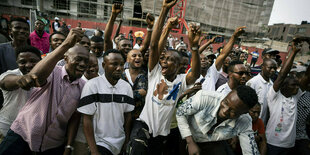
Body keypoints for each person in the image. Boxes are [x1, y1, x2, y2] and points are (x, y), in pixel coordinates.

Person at [127, 0, 201, 154]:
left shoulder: (182, 81)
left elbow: (196, 73)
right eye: (163, 58)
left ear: (180, 65)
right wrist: (164, 12)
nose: (164, 61)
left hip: (162, 134)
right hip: (143, 125)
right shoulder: (155, 72)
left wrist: (194, 47)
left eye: (169, 59)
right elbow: (154, 46)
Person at [0, 28, 87, 155]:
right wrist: (66, 44)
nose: (83, 64)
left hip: (52, 145)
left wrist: (69, 145)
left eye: (86, 61)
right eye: (78, 59)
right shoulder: (52, 71)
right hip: (22, 135)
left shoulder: (84, 86)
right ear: (66, 58)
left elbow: (75, 117)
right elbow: (36, 77)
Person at [78, 49, 134, 155]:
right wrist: (94, 150)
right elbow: (87, 119)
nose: (119, 68)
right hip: (100, 143)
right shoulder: (92, 85)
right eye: (114, 64)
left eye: (122, 64)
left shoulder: (126, 87)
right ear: (104, 65)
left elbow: (128, 116)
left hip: (120, 142)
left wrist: (126, 141)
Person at [176, 85, 259, 155]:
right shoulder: (205, 97)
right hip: (186, 135)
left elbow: (250, 151)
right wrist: (190, 142)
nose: (225, 110)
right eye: (225, 102)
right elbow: (180, 112)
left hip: (210, 143)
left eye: (233, 111)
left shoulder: (245, 121)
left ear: (243, 113)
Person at [266, 39, 310, 155]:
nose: (297, 88)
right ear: (284, 86)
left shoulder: (295, 97)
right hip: (273, 143)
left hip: (290, 145)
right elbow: (282, 75)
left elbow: (308, 75)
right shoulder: (274, 96)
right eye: (293, 85)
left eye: (297, 85)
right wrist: (293, 52)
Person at [0, 46, 41, 142]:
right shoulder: (9, 74)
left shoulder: (49, 77)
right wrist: (20, 80)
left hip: (32, 131)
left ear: (41, 61)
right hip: (6, 128)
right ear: (17, 63)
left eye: (33, 61)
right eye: (22, 62)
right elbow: (5, 82)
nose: (28, 65)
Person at [197, 26, 246, 91]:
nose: (203, 61)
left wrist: (234, 37)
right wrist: (208, 42)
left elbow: (223, 54)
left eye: (205, 59)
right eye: (200, 59)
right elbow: (196, 53)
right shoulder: (192, 75)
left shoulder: (212, 72)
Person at [73, 53, 99, 155]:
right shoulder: (77, 84)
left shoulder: (103, 81)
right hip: (81, 137)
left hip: (100, 137)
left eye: (95, 65)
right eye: (88, 66)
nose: (92, 69)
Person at [246, 58, 277, 125]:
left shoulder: (272, 84)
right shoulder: (253, 82)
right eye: (270, 68)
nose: (273, 70)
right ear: (262, 67)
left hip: (263, 123)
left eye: (275, 68)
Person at [122, 49, 147, 119]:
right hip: (123, 116)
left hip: (141, 117)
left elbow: (145, 92)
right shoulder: (121, 75)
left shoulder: (146, 75)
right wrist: (138, 93)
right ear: (127, 59)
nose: (138, 57)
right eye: (134, 56)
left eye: (140, 56)